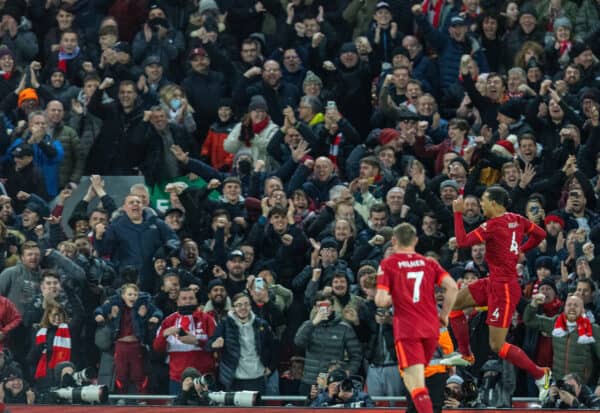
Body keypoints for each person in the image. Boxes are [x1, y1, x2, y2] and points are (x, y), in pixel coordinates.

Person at [450, 185, 550, 400]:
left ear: (494, 204)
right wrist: (522, 249)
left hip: (504, 288)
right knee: (454, 305)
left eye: (483, 202)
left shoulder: (493, 225)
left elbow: (462, 242)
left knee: (497, 345)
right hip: (493, 281)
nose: (481, 205)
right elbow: (540, 234)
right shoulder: (517, 219)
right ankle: (465, 354)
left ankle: (540, 374)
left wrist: (457, 213)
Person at [375, 222, 458, 413]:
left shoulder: (389, 264)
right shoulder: (429, 262)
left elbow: (381, 300)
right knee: (417, 387)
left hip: (408, 330)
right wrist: (444, 315)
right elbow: (452, 287)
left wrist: (395, 293)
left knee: (416, 387)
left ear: (394, 241)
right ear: (416, 241)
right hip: (431, 329)